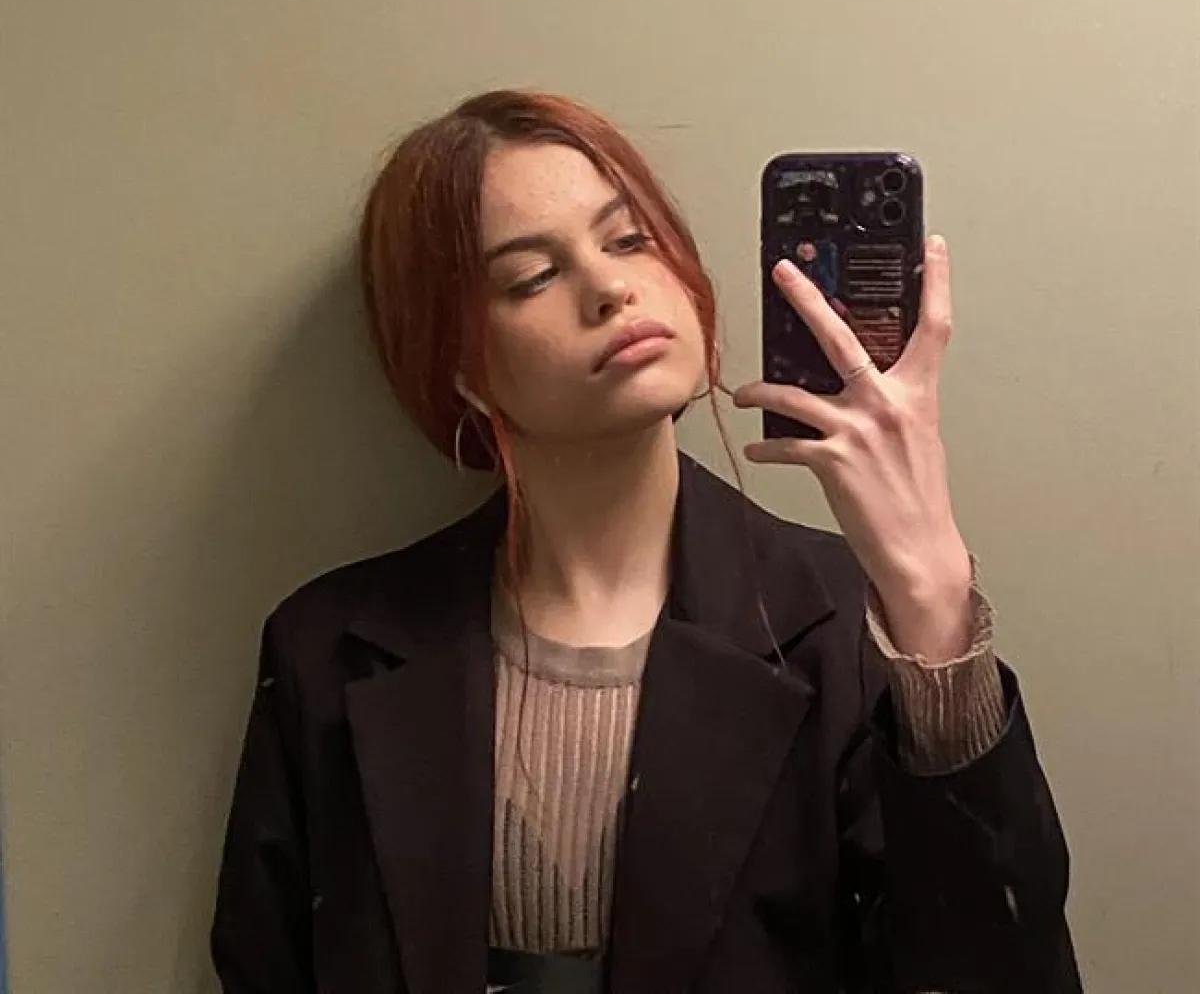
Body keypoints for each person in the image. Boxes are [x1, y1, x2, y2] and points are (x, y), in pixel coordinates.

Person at [211, 90, 1080, 993]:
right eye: (530, 277)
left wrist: (932, 595)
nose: (610, 288)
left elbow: (1004, 971)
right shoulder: (327, 652)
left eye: (628, 239)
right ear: (460, 371)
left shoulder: (844, 628)